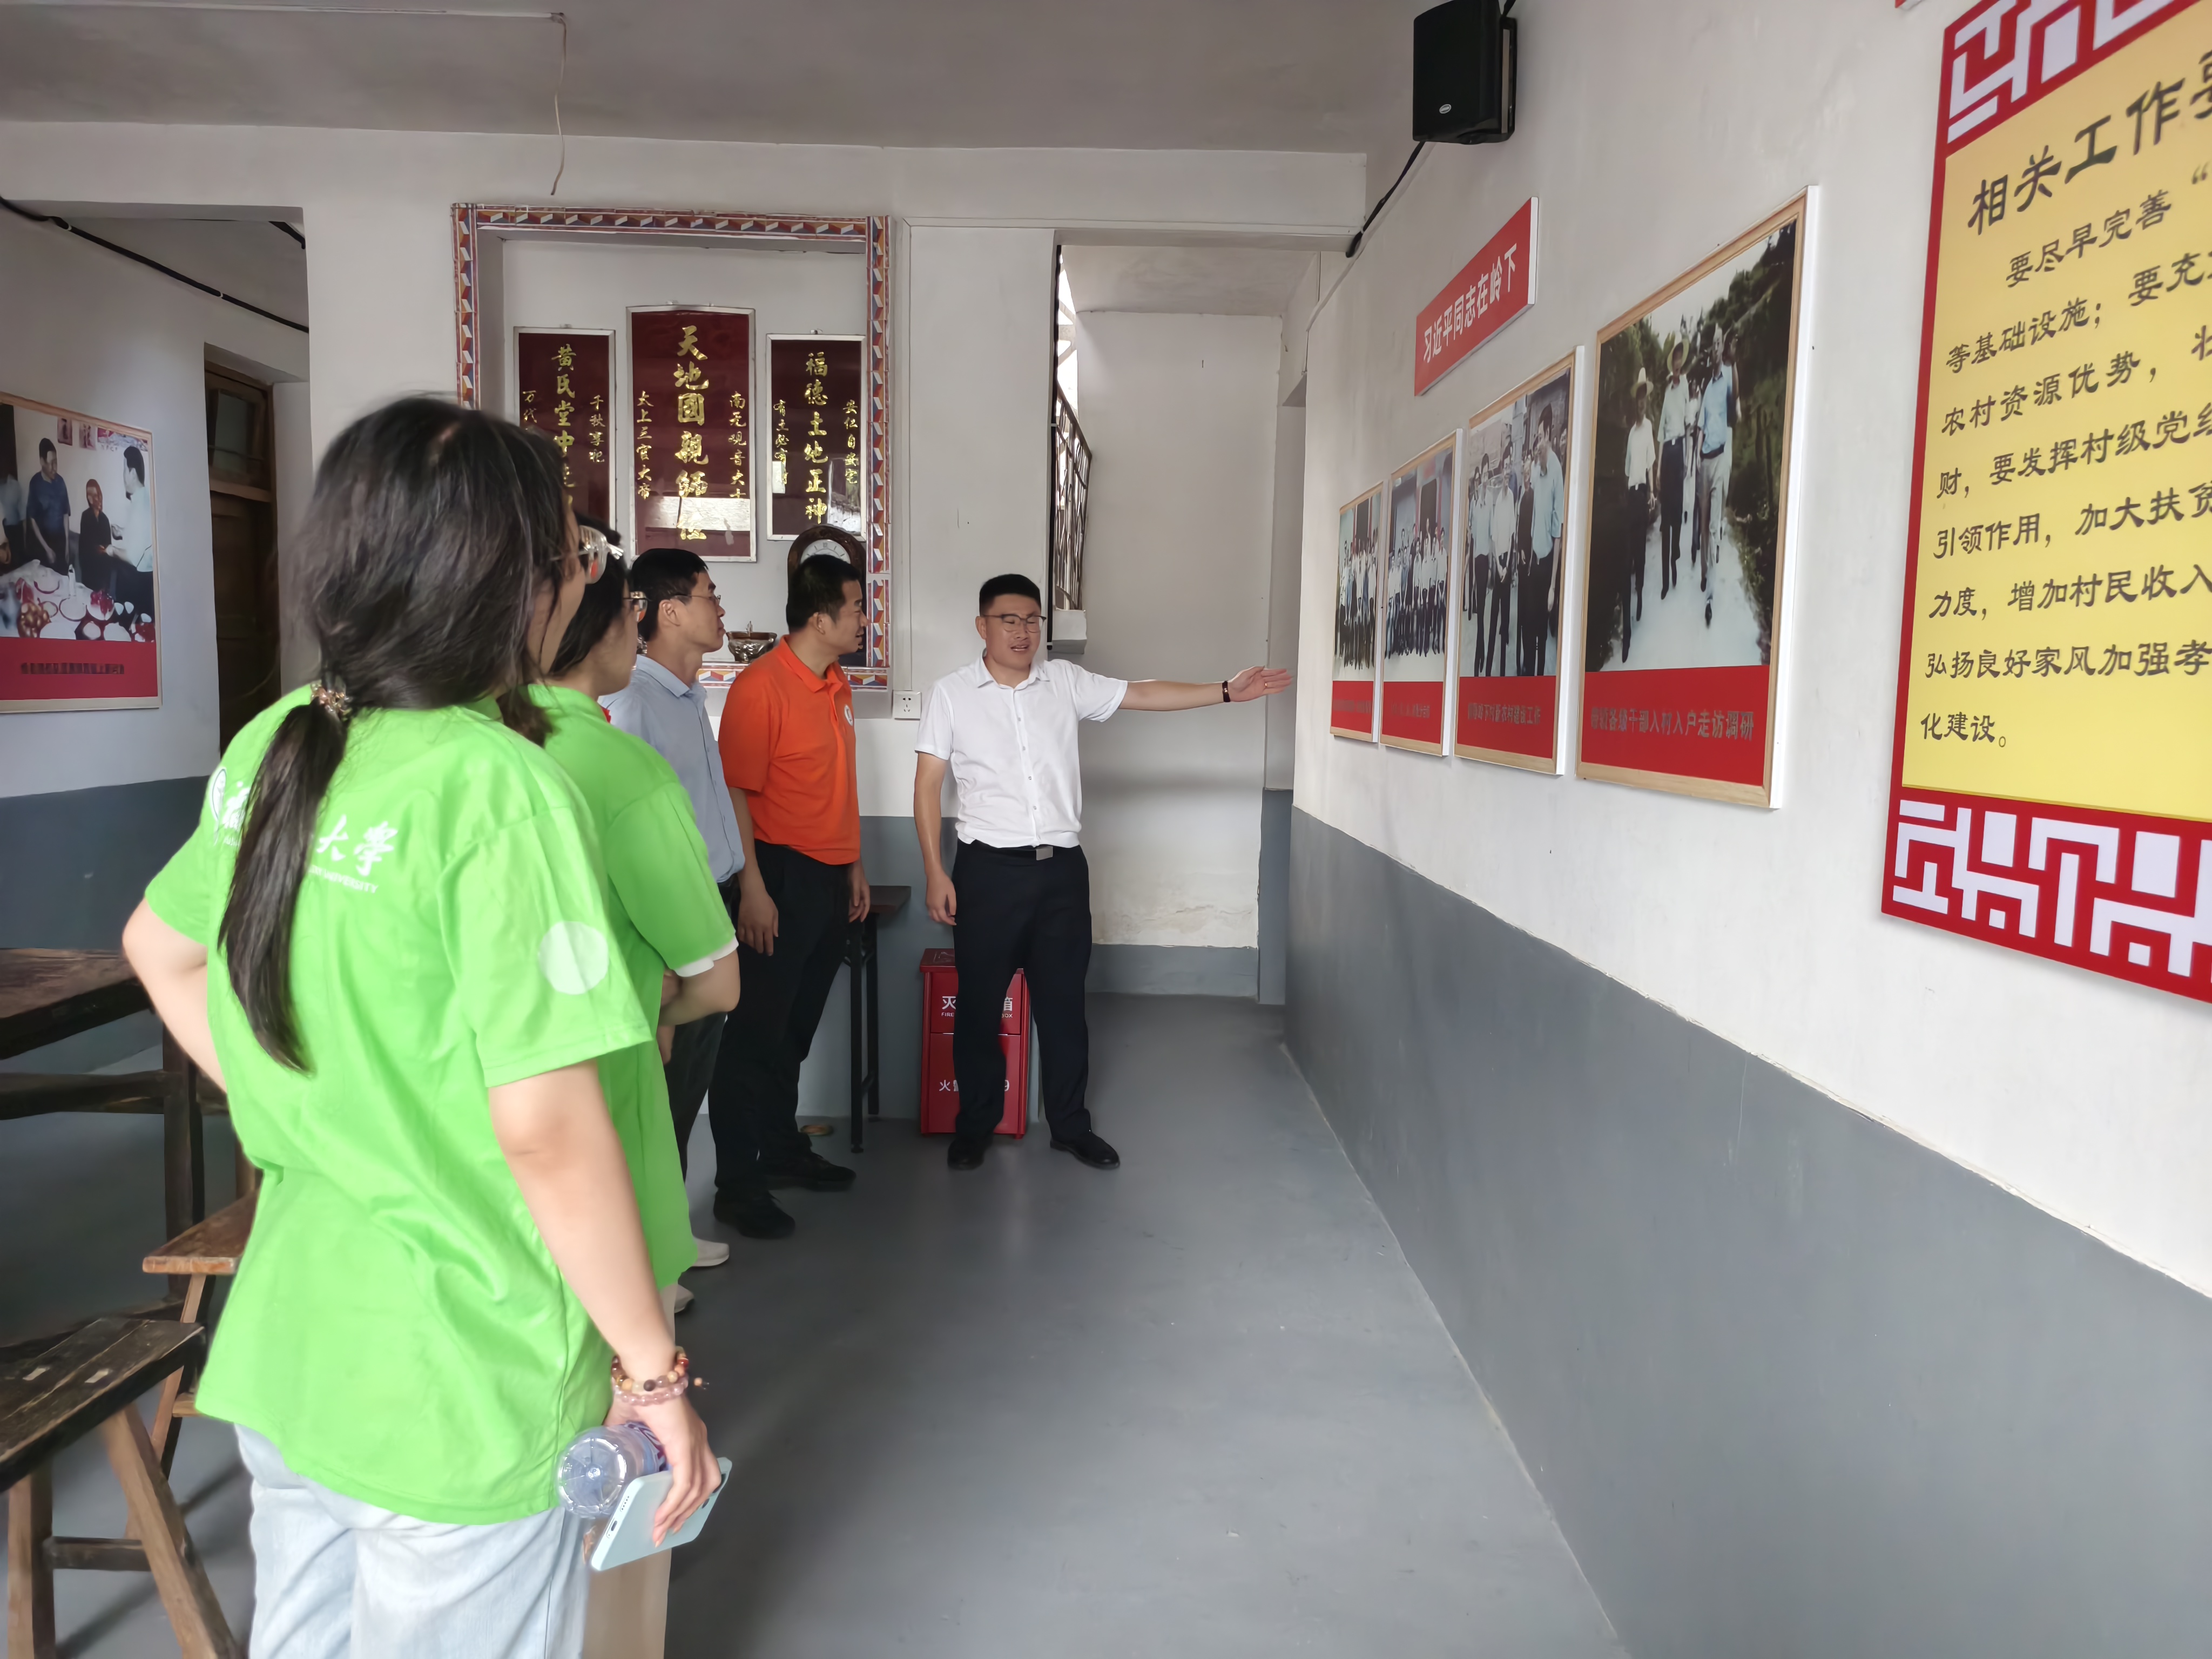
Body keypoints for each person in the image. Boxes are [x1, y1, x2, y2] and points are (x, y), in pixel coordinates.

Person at [118, 397, 719, 1659]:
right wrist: (652, 1373)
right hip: (463, 1369)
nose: (581, 579)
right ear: (516, 581)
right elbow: (547, 1131)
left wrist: (317, 1117)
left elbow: (159, 949)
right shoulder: (499, 786)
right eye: (573, 555)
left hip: (297, 1337)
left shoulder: (280, 739)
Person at [913, 573, 1292, 1172]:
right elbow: (927, 786)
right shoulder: (951, 694)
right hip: (987, 872)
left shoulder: (1063, 681)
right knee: (980, 1007)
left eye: (1032, 619)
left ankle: (1070, 1126)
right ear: (982, 626)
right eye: (1009, 620)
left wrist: (1225, 690)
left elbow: (1143, 693)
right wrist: (936, 871)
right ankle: (975, 1125)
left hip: (1061, 873)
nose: (1022, 631)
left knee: (1064, 1006)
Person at [534, 535, 740, 1320]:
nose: (637, 621)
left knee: (665, 1107)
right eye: (629, 607)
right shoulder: (620, 731)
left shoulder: (498, 744)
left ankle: (663, 1244)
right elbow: (717, 983)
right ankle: (649, 1268)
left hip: (668, 929)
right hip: (654, 949)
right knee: (641, 1120)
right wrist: (665, 994)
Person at [708, 529, 869, 1240]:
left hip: (831, 878)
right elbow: (736, 795)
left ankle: (780, 1150)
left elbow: (839, 785)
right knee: (755, 1036)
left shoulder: (836, 685)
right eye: (855, 608)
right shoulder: (760, 688)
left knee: (794, 1033)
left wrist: (855, 865)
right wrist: (753, 889)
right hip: (778, 876)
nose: (863, 620)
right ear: (820, 618)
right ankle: (736, 1184)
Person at [607, 547, 747, 1258]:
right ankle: (649, 1255)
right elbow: (631, 840)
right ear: (668, 612)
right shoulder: (634, 703)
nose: (720, 609)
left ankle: (670, 1236)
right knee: (659, 1091)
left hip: (713, 900)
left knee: (689, 1081)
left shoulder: (690, 698)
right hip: (669, 921)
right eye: (709, 595)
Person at [1525, 404, 1566, 678]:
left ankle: (1539, 679)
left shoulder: (1556, 473)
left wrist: (1553, 587)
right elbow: (1533, 519)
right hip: (1533, 563)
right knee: (1530, 628)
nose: (1538, 443)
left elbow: (1557, 534)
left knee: (1541, 634)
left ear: (1549, 435)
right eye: (1537, 438)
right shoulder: (1536, 470)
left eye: (1541, 437)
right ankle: (1529, 677)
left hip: (1547, 565)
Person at [1621, 376, 1657, 658]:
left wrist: (1652, 493)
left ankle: (1641, 592)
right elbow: (1628, 469)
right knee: (1627, 558)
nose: (1641, 401)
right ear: (1635, 401)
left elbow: (1649, 466)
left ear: (1647, 400)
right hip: (1630, 497)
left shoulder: (1648, 430)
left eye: (1645, 396)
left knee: (1640, 555)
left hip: (1643, 493)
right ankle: (1627, 633)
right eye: (1639, 397)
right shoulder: (1632, 434)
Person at [1657, 341, 1690, 599]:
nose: (1677, 363)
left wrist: (1687, 456)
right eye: (1674, 359)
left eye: (1680, 359)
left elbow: (1687, 427)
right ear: (1672, 365)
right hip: (1667, 454)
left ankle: (1676, 554)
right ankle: (1665, 580)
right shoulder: (1667, 393)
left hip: (1679, 451)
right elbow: (1661, 434)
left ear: (1682, 362)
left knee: (1677, 512)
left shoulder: (1685, 387)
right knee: (1666, 517)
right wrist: (1658, 469)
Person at [113, 444, 156, 621]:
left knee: (126, 626)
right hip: (139, 580)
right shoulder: (142, 499)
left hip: (136, 582)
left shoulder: (140, 508)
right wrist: (123, 532)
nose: (123, 476)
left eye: (124, 470)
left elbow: (133, 557)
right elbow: (142, 538)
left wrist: (112, 550)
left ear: (132, 473)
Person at [24, 437, 69, 571]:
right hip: (44, 543)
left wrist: (67, 545)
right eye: (51, 463)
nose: (54, 468)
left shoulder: (61, 482)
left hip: (60, 542)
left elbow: (66, 514)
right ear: (42, 462)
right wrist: (47, 549)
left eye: (56, 462)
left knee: (63, 576)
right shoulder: (35, 483)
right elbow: (32, 520)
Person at [78, 476, 114, 595]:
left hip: (102, 576)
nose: (95, 498)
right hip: (89, 574)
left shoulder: (105, 520)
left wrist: (106, 584)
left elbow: (108, 554)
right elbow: (84, 550)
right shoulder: (85, 517)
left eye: (97, 494)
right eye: (90, 495)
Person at [0, 442, 25, 570]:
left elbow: (22, 516)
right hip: (4, 532)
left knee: (17, 566)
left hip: (14, 531)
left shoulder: (14, 486)